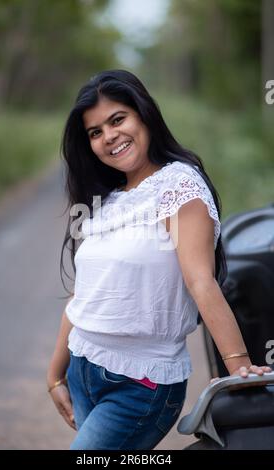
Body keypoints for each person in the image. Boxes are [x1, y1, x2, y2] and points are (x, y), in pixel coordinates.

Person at [46, 69, 271, 450]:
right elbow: (84, 294)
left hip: (140, 385)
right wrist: (55, 374)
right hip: (84, 369)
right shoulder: (109, 199)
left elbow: (201, 281)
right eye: (95, 132)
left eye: (118, 119)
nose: (108, 137)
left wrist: (239, 370)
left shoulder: (178, 186)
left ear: (144, 114)